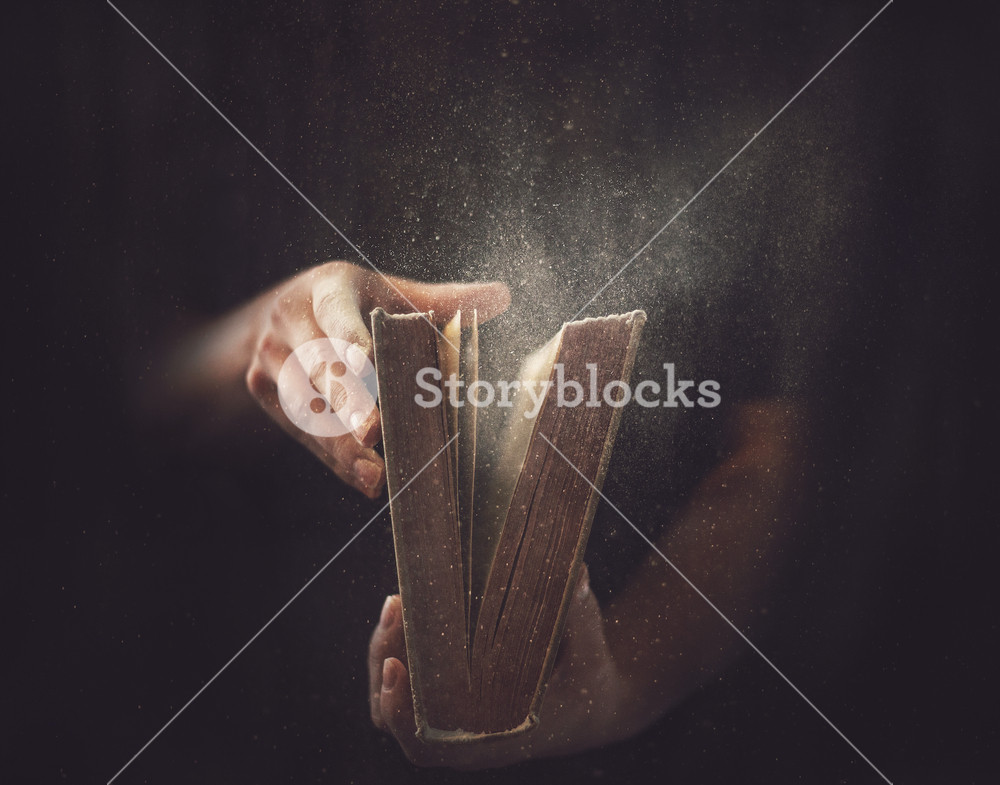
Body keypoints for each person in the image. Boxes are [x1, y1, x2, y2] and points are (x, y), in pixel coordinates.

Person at [166, 259, 808, 769]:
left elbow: (794, 455)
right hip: (279, 732)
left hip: (667, 741)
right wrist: (267, 330)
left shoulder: (728, 120)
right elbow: (136, 391)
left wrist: (630, 683)